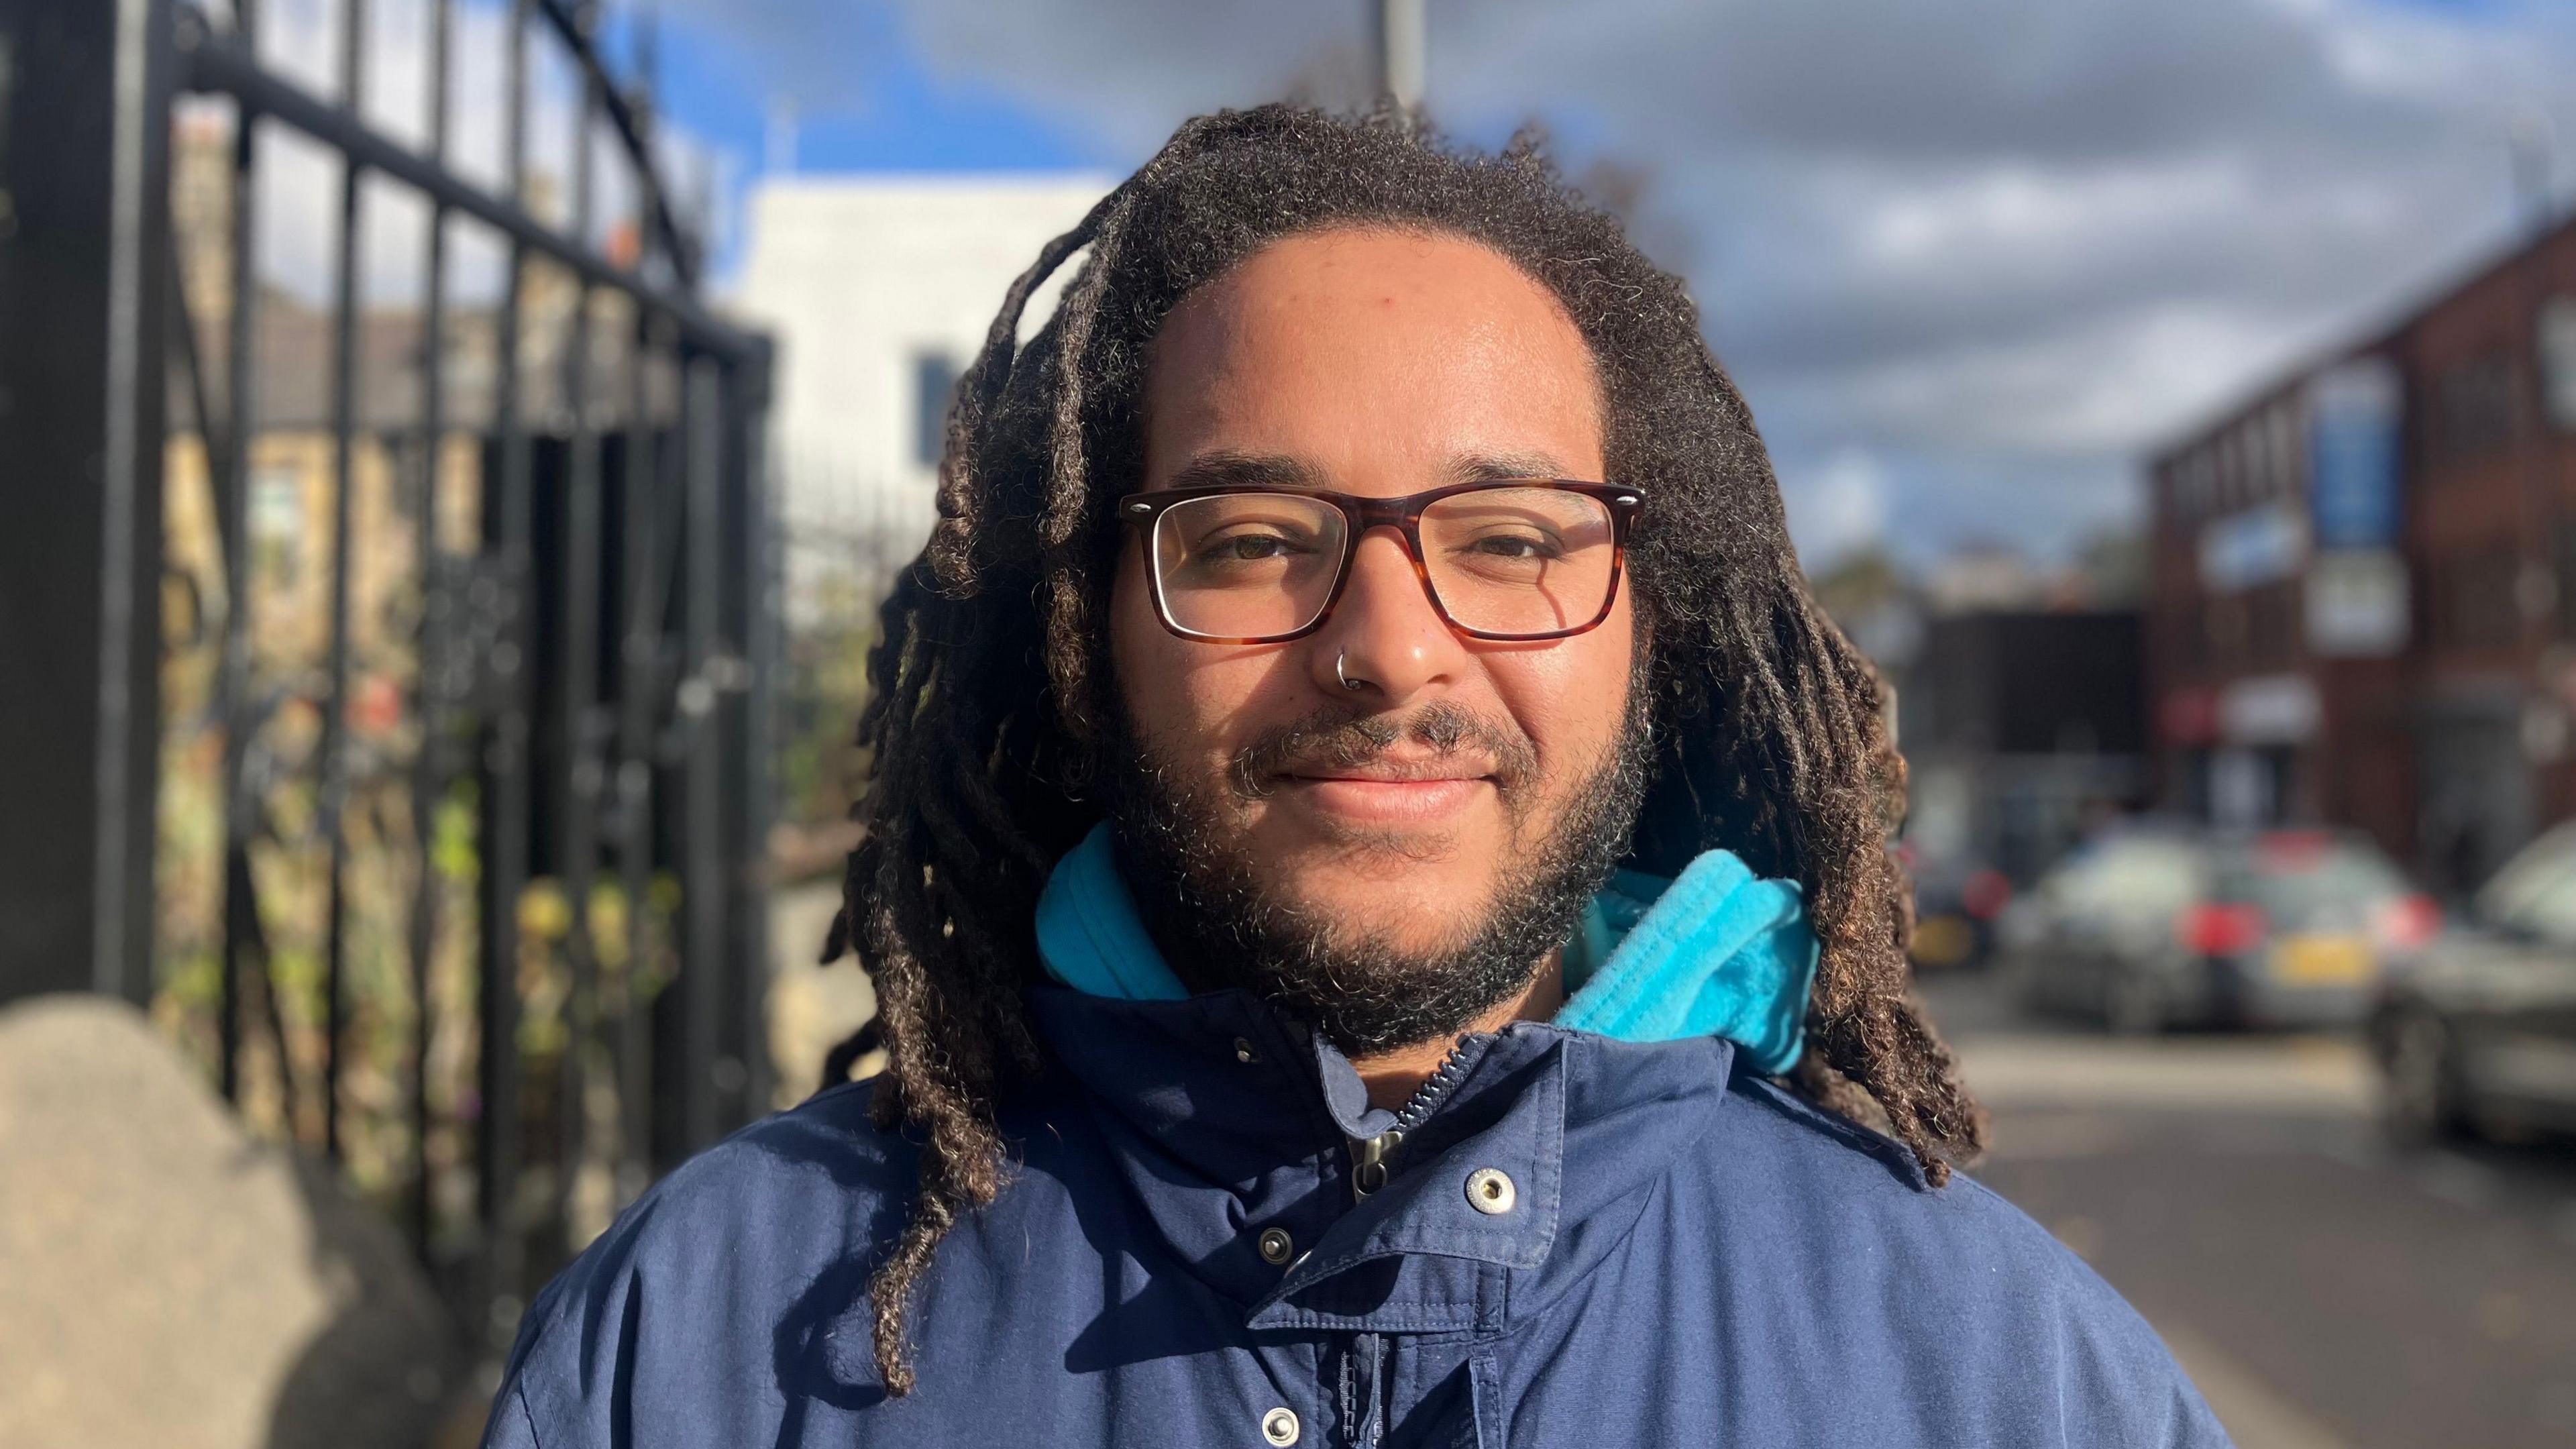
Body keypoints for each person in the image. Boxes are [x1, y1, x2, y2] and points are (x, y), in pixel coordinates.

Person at [485, 105, 2227, 1448]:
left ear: (1652, 632)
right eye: (1251, 539)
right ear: (1090, 631)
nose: (1392, 650)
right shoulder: (710, 1337)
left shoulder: (1999, 1370)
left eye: (1513, 539)